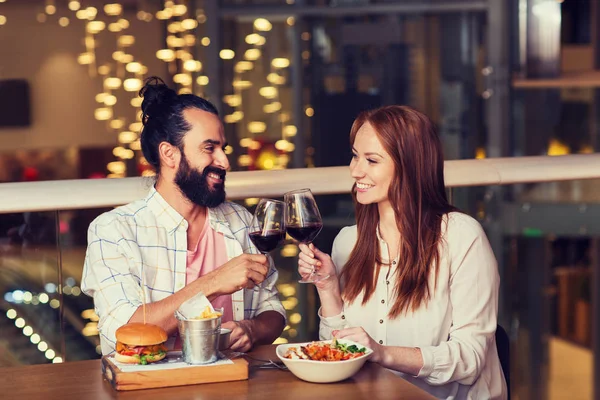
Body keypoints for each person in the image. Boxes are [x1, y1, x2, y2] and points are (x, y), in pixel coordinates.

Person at [298, 105, 507, 399]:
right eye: (355, 156)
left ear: (410, 166)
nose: (355, 170)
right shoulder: (349, 241)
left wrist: (382, 353)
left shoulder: (461, 236)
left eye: (372, 160)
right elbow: (339, 352)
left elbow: (469, 360)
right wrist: (327, 288)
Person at [82, 77, 286, 356]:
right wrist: (213, 283)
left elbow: (272, 310)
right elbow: (124, 331)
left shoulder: (242, 223)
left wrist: (253, 329)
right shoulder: (114, 230)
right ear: (169, 154)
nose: (224, 161)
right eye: (209, 148)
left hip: (235, 382)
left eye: (222, 149)